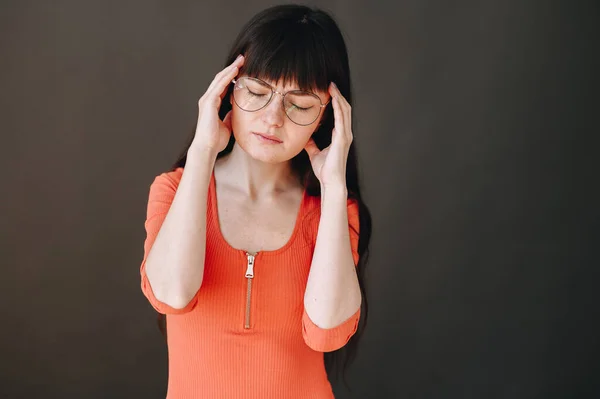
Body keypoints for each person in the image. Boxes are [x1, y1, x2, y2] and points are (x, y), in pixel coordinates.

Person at [139, 4, 372, 398]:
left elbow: (328, 331)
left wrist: (333, 189)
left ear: (327, 117)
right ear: (228, 89)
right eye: (258, 92)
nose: (272, 118)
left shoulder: (332, 212)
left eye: (298, 105)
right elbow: (172, 295)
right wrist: (202, 153)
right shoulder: (173, 190)